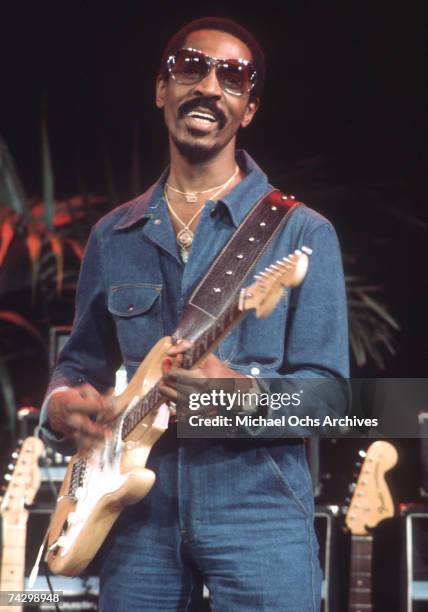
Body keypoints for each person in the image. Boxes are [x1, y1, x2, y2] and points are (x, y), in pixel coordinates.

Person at [40, 16, 349, 611]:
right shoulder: (114, 235)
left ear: (249, 108)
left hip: (259, 513)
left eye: (232, 78)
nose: (210, 86)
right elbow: (77, 364)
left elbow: (332, 402)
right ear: (163, 89)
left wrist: (231, 390)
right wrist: (62, 406)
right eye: (191, 67)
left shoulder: (302, 233)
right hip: (136, 520)